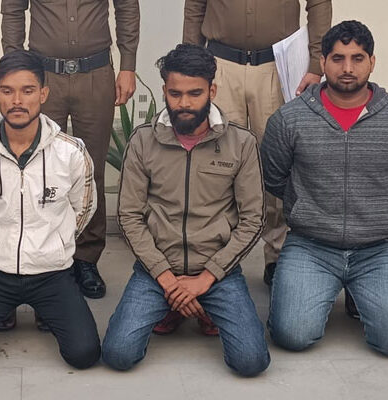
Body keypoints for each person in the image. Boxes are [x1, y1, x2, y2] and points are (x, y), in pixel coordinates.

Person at [101, 44, 269, 376]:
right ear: (164, 90)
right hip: (156, 271)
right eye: (175, 94)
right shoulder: (143, 141)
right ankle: (177, 304)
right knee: (118, 354)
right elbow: (129, 216)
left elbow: (253, 220)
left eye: (195, 93)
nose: (185, 103)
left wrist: (205, 279)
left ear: (212, 91)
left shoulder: (241, 143)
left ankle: (197, 303)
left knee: (251, 362)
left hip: (217, 272)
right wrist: (167, 279)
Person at [0, 50, 101, 371]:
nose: (17, 101)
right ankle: (4, 307)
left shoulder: (71, 152)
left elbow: (82, 209)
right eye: (7, 90)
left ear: (43, 94)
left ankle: (45, 307)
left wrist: (54, 244)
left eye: (27, 91)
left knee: (84, 354)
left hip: (52, 274)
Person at [182, 0, 332, 292]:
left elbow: (319, 4)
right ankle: (213, 257)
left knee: (278, 162)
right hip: (220, 65)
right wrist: (190, 62)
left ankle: (277, 255)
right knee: (215, 164)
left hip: (277, 65)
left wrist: (316, 63)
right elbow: (195, 5)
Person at [0, 0, 140, 306]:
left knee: (91, 170)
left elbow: (127, 6)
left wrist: (128, 65)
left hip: (96, 74)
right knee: (40, 171)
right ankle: (46, 259)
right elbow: (13, 9)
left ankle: (86, 259)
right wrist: (14, 66)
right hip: (43, 76)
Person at [261, 20, 388, 354]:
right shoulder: (289, 119)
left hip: (379, 248)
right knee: (292, 335)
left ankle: (361, 292)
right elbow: (274, 178)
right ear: (322, 62)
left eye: (357, 58)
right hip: (311, 246)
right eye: (337, 58)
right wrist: (308, 209)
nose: (347, 68)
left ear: (372, 62)